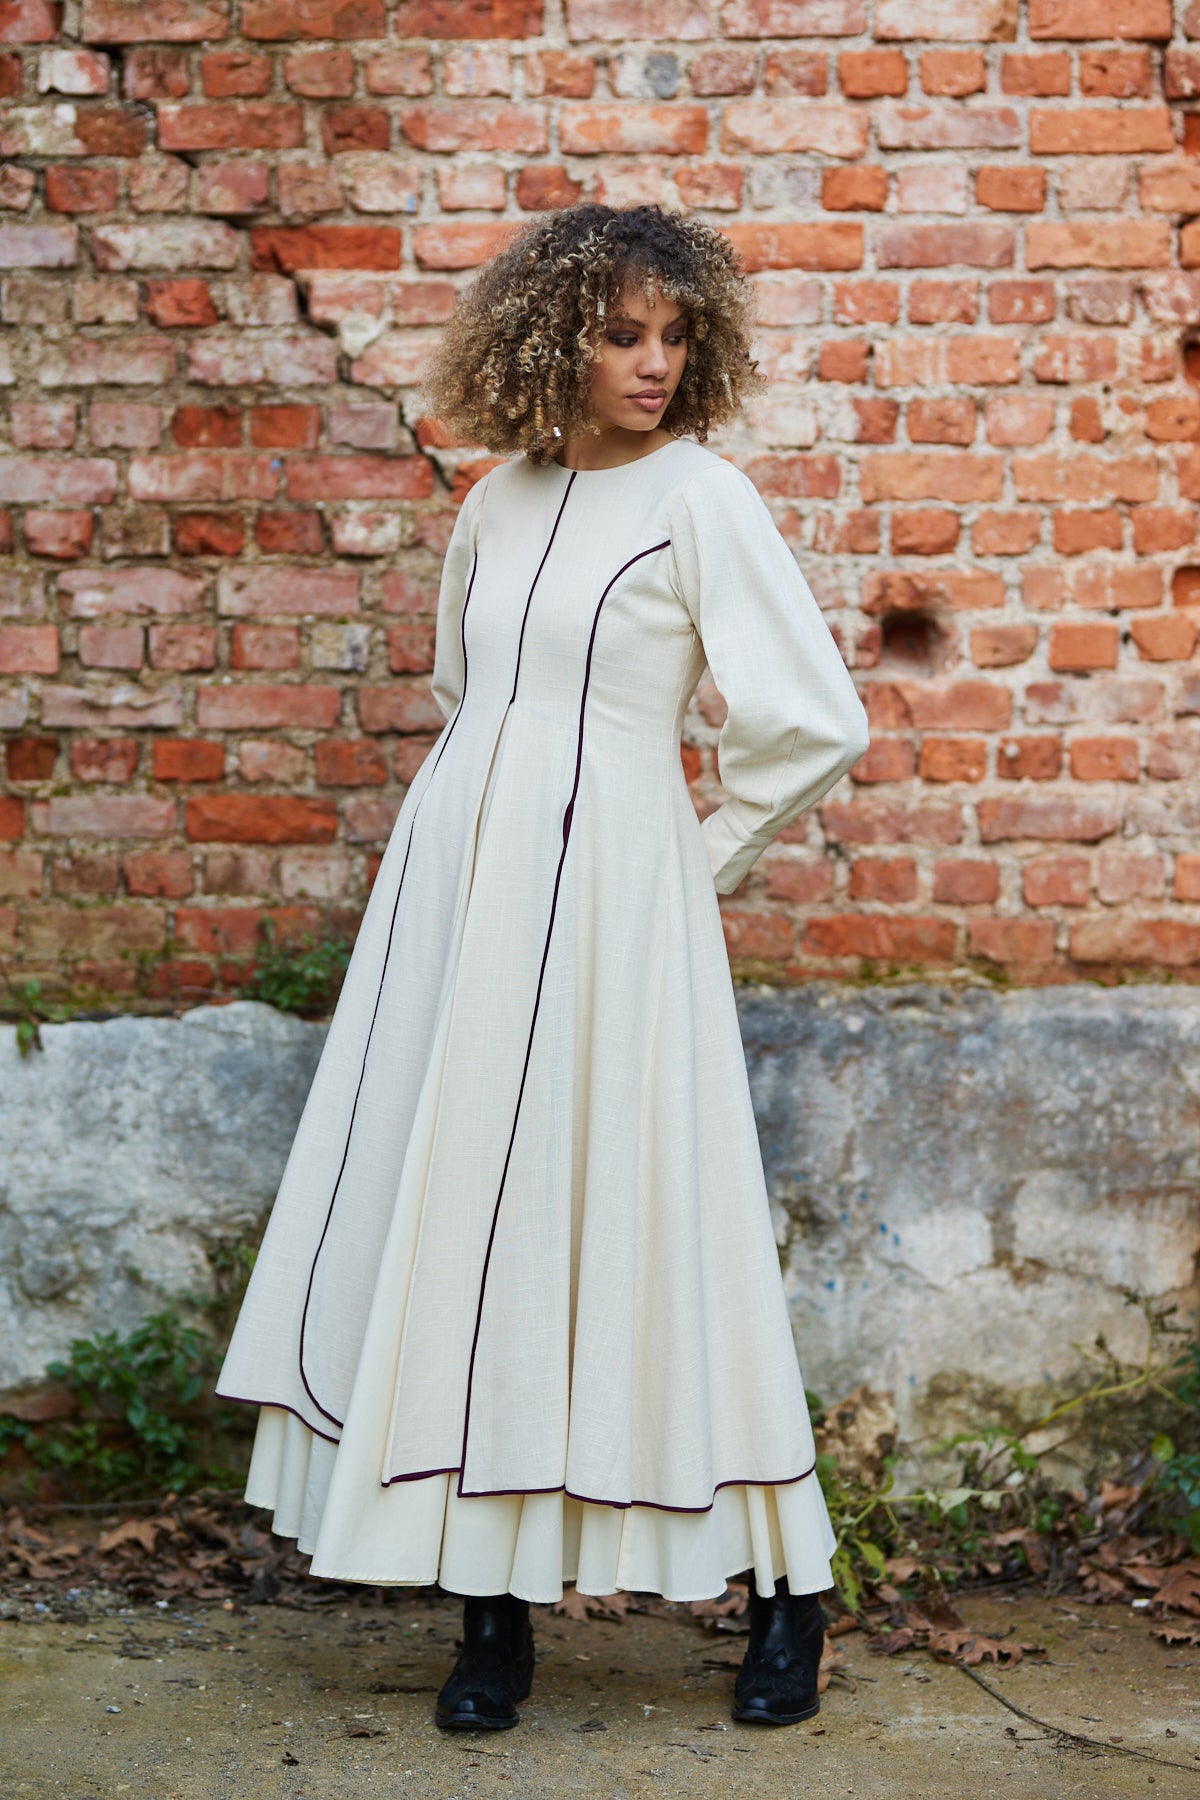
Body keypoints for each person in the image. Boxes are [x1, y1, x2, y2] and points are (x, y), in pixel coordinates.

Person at [215, 201, 870, 1733]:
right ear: (551, 340)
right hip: (461, 893)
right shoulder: (495, 504)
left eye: (676, 336)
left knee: (663, 1220)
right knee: (464, 1222)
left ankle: (790, 1588)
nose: (654, 363)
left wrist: (688, 856)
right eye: (621, 333)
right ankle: (491, 1614)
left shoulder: (704, 499)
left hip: (620, 906)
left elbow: (812, 720)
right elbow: (471, 690)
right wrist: (484, 827)